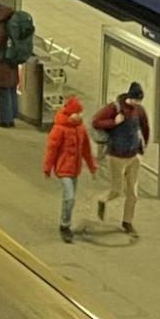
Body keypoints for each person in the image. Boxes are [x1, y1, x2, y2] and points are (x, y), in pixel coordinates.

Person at [92, 82, 151, 234]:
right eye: (135, 99)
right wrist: (114, 122)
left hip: (134, 156)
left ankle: (127, 222)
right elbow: (96, 122)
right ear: (129, 97)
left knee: (132, 193)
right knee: (117, 190)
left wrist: (142, 147)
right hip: (117, 156)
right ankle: (102, 200)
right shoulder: (114, 108)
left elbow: (145, 127)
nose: (137, 103)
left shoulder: (139, 111)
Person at [41, 95, 96, 241]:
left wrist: (92, 166)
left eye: (80, 113)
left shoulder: (80, 129)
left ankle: (65, 223)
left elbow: (86, 150)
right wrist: (47, 168)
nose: (80, 115)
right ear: (70, 114)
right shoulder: (59, 129)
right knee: (70, 197)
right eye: (77, 113)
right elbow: (51, 149)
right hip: (63, 169)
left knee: (69, 198)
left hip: (75, 170)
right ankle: (65, 225)